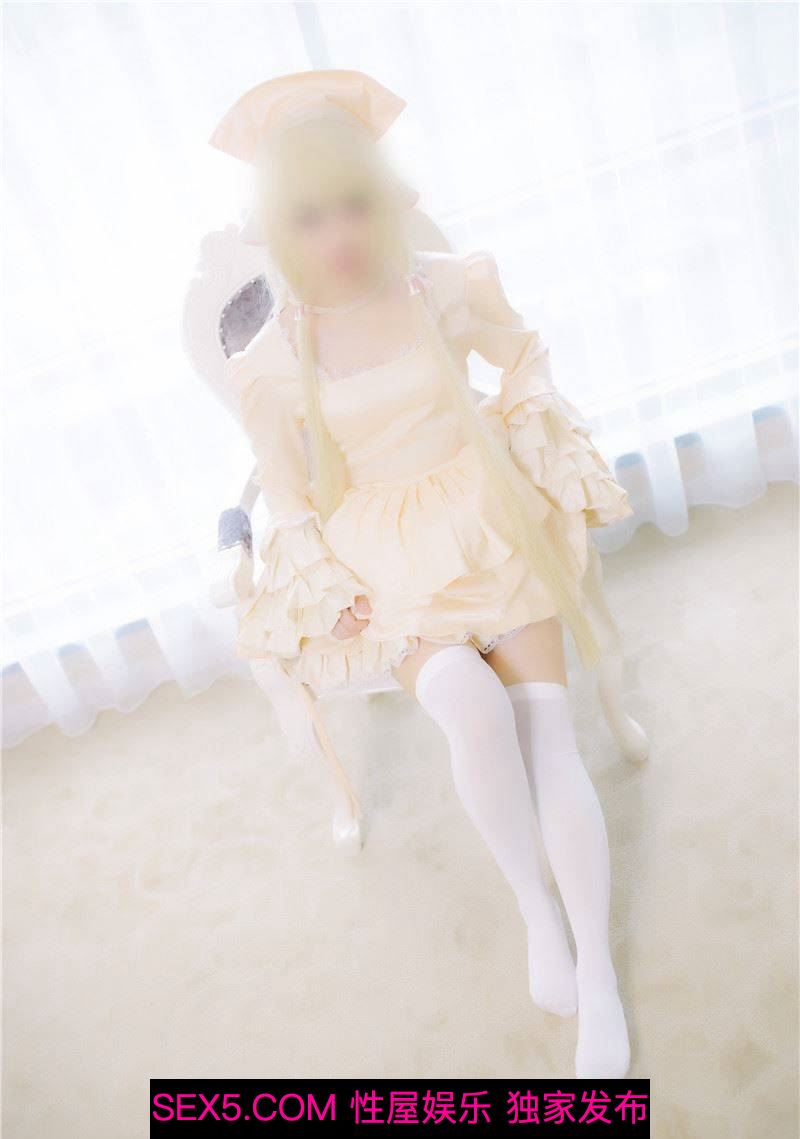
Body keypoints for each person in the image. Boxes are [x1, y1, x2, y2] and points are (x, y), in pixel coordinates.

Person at [211, 70, 633, 1077]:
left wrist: (525, 435)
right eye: (309, 216)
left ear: (382, 194)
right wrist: (322, 579)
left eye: (354, 203)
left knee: (545, 727)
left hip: (486, 517)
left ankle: (598, 972)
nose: (338, 235)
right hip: (382, 552)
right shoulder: (273, 355)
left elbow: (522, 356)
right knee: (470, 708)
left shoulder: (442, 284)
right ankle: (534, 909)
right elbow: (288, 494)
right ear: (280, 226)